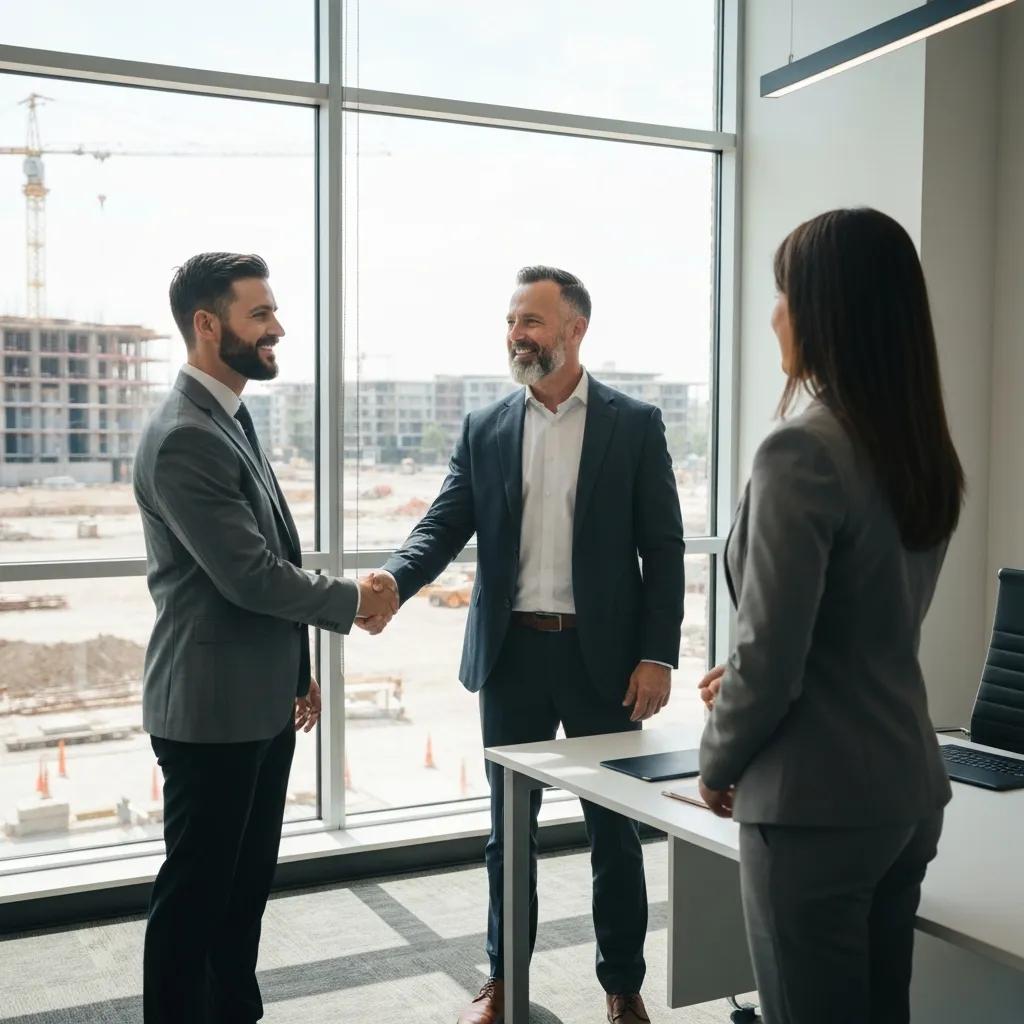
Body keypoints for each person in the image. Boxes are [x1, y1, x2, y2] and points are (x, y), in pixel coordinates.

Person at [361, 265, 685, 1024]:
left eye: (532, 321)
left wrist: (657, 655)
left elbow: (663, 550)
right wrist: (393, 584)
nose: (517, 334)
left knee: (616, 833)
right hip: (513, 656)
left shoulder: (633, 424)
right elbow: (441, 526)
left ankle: (622, 988)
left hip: (604, 662)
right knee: (509, 832)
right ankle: (505, 979)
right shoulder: (486, 427)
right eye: (512, 320)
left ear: (575, 330)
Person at [697, 208, 964, 1024]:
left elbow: (774, 658)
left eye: (784, 293)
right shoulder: (917, 444)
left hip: (814, 805)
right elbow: (862, 625)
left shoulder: (802, 449)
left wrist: (715, 759)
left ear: (824, 310)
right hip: (905, 792)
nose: (775, 313)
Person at [134, 252, 396, 1023]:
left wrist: (295, 670)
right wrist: (356, 598)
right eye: (260, 314)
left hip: (256, 701)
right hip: (210, 711)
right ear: (207, 325)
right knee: (196, 900)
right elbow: (249, 576)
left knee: (241, 893)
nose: (278, 326)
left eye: (274, 311)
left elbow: (271, 556)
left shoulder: (229, 416)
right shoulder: (187, 434)